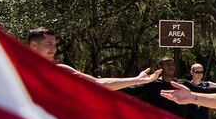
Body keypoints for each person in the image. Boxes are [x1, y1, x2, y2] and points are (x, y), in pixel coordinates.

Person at [29, 26, 159, 91]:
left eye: (55, 45)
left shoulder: (59, 70)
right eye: (48, 44)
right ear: (34, 45)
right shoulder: (15, 66)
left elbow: (97, 84)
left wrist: (136, 80)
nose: (53, 49)